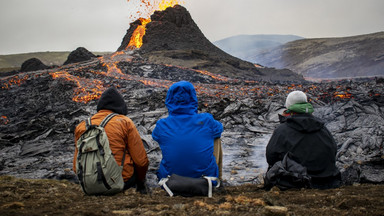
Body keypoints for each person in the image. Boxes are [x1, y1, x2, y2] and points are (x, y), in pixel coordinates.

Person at [73, 87, 149, 193]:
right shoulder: (124, 122)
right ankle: (141, 190)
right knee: (136, 159)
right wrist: (141, 180)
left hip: (89, 183)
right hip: (120, 181)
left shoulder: (82, 126)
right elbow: (141, 162)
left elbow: (76, 166)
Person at [266, 90, 341, 189]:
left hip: (298, 182)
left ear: (288, 107)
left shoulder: (282, 130)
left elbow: (271, 157)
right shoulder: (323, 128)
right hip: (329, 181)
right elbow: (333, 150)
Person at [152, 81, 223, 184]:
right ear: (193, 98)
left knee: (168, 141)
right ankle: (218, 179)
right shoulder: (206, 120)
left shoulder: (162, 124)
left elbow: (155, 136)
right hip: (205, 182)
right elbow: (219, 129)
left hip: (169, 181)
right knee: (216, 137)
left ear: (169, 100)